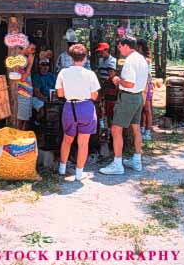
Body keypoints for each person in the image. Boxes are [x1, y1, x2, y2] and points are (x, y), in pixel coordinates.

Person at [99, 35, 148, 175]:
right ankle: (137, 160)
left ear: (127, 46)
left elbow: (129, 83)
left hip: (128, 97)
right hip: (138, 97)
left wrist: (117, 80)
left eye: (120, 46)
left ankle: (117, 164)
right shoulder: (141, 59)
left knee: (116, 130)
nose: (119, 49)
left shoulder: (130, 61)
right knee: (136, 129)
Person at [55, 44, 100, 180]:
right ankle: (79, 173)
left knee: (67, 139)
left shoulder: (63, 72)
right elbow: (94, 96)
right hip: (86, 107)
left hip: (69, 107)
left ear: (70, 57)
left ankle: (62, 168)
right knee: (83, 142)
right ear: (85, 58)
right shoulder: (90, 74)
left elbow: (60, 94)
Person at [17, 37, 36, 130]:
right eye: (31, 49)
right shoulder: (19, 59)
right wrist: (30, 64)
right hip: (22, 93)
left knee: (25, 119)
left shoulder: (24, 58)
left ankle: (21, 140)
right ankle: (17, 140)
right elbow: (22, 79)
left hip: (26, 93)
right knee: (21, 119)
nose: (33, 52)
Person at [137, 38, 153, 141]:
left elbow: (147, 76)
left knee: (147, 109)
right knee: (141, 109)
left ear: (140, 47)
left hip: (146, 85)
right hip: (139, 85)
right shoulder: (138, 57)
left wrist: (146, 89)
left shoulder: (146, 59)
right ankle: (142, 128)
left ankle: (148, 131)